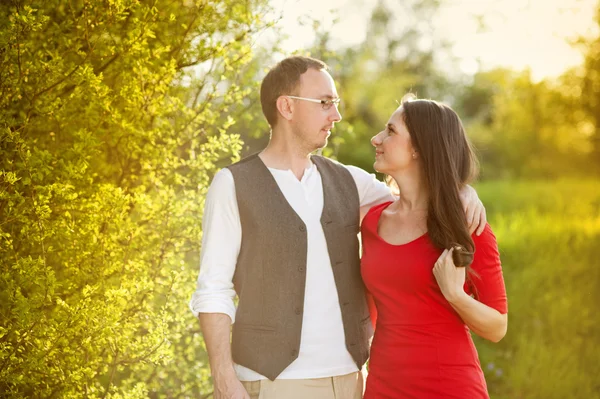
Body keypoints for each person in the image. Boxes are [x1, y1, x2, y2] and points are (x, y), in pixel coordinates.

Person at [189, 56, 487, 399]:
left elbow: (417, 197)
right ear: (286, 106)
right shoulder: (232, 184)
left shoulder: (351, 181)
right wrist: (225, 381)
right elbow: (213, 290)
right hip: (272, 383)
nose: (336, 115)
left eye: (336, 103)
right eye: (325, 102)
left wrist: (462, 189)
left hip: (352, 380)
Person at [361, 96, 508, 399]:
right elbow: (371, 308)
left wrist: (455, 295)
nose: (376, 138)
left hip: (447, 386)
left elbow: (497, 327)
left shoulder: (467, 226)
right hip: (382, 385)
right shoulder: (372, 220)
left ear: (418, 148)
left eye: (390, 131)